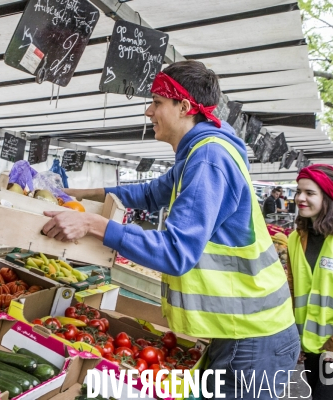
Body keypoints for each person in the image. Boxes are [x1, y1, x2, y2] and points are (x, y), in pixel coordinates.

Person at [42, 61, 299, 398]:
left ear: (184, 107)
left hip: (250, 339)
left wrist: (92, 223)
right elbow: (150, 193)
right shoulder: (198, 152)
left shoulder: (208, 159)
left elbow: (176, 253)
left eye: (156, 102)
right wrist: (80, 195)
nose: (149, 112)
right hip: (246, 331)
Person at [286, 164, 333, 399]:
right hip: (311, 349)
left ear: (329, 197)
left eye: (310, 193)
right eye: (298, 191)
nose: (300, 198)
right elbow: (293, 292)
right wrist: (295, 340)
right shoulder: (295, 239)